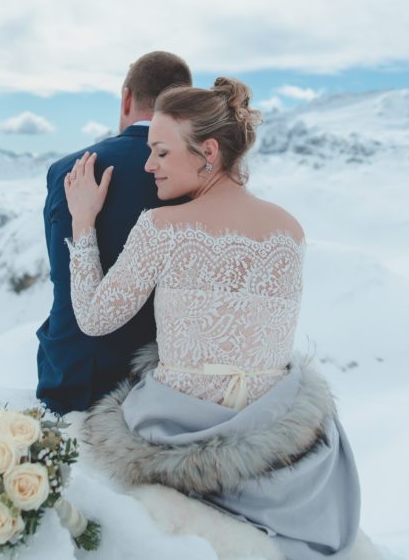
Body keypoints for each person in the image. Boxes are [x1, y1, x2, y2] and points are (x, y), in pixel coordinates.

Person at [62, 77, 363, 559]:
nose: (148, 165)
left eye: (161, 152)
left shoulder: (163, 227)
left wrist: (83, 221)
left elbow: (95, 319)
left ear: (208, 152)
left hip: (178, 438)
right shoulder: (290, 228)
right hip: (280, 446)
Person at [35, 51, 193, 415]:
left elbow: (63, 278)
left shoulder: (68, 170)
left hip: (76, 381)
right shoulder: (198, 177)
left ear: (126, 98)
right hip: (166, 383)